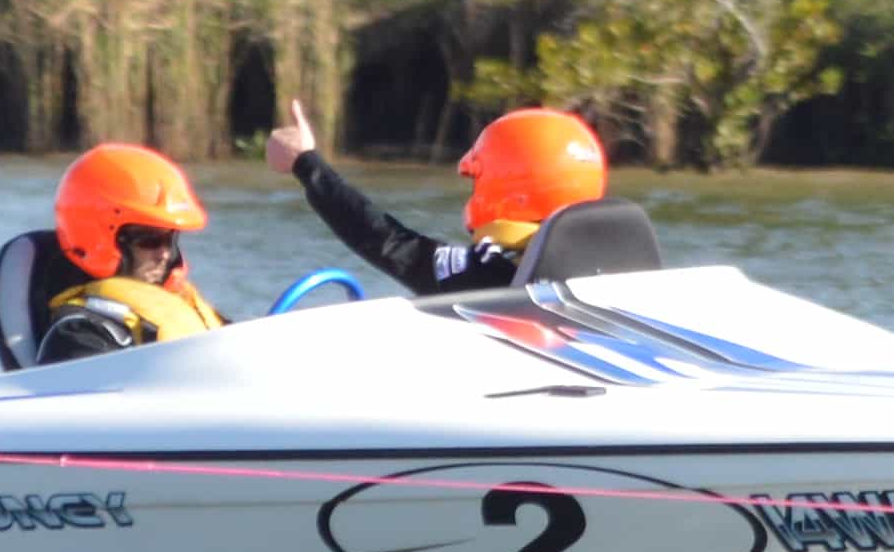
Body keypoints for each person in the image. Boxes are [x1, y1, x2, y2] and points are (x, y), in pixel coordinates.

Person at [258, 99, 608, 296]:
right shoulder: (619, 263)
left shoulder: (497, 271)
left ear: (509, 188)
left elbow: (387, 242)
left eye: (478, 180)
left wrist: (306, 163)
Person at [31, 141, 226, 361]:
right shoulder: (77, 334)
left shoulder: (187, 303)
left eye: (169, 239)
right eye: (149, 240)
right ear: (100, 238)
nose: (164, 254)